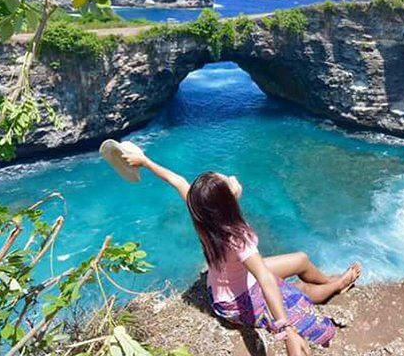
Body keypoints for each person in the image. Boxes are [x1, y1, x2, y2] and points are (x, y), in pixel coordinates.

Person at [122, 151, 362, 356]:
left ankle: (331, 280)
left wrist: (144, 161)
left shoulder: (201, 214)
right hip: (232, 301)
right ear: (227, 201)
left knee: (300, 259)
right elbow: (265, 278)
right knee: (298, 294)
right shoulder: (238, 236)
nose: (230, 177)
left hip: (230, 280)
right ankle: (334, 286)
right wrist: (286, 330)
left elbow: (177, 180)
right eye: (226, 180)